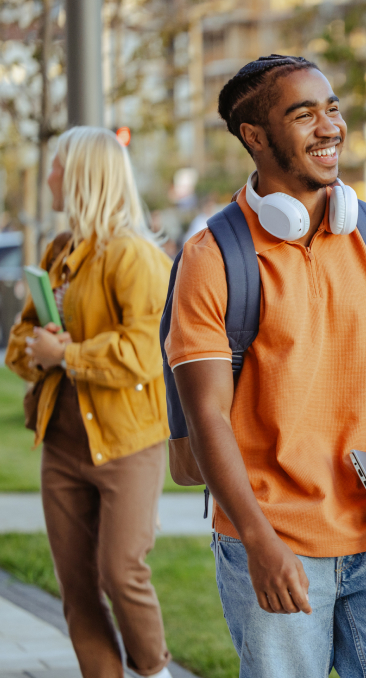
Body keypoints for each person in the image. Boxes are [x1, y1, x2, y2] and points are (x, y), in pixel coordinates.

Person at [165, 55, 366, 677]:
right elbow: (209, 414)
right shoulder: (214, 256)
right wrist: (257, 541)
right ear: (255, 136)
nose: (329, 127)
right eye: (304, 114)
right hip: (271, 536)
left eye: (332, 108)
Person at [6, 127, 174, 678]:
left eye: (56, 166)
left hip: (126, 444)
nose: (48, 175)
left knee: (120, 571)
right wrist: (38, 352)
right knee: (77, 586)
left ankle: (153, 671)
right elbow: (20, 342)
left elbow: (146, 351)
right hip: (62, 442)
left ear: (80, 175)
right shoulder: (58, 253)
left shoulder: (134, 255)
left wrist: (66, 355)